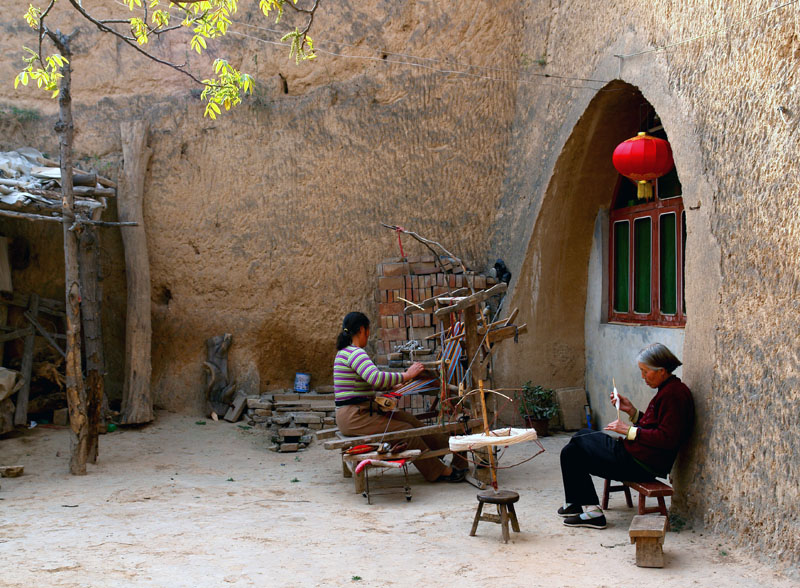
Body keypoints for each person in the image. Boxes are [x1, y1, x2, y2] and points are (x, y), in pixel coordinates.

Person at [558, 343, 694, 529]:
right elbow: (654, 426)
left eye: (646, 372)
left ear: (662, 371)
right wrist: (632, 411)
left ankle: (591, 512)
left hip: (641, 464)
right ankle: (582, 505)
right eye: (642, 371)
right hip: (634, 456)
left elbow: (667, 438)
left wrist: (628, 431)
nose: (643, 377)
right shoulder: (668, 390)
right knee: (571, 451)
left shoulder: (674, 395)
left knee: (581, 437)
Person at [334, 311, 468, 482]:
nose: (368, 334)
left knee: (411, 421)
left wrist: (393, 385)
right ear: (362, 330)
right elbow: (375, 378)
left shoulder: (345, 353)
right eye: (368, 330)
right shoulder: (355, 353)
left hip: (358, 413)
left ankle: (450, 448)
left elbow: (365, 382)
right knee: (405, 432)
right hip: (355, 416)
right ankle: (439, 471)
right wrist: (407, 375)